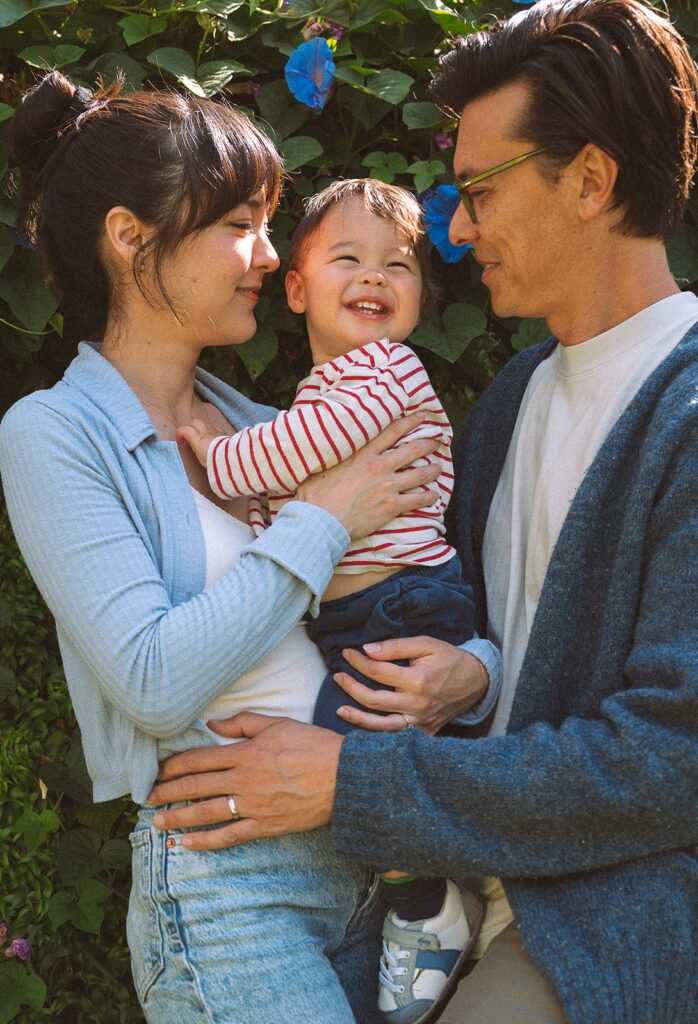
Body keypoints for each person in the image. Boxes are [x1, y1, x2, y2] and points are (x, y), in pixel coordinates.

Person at [143, 3, 698, 1023]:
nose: (459, 226)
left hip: (590, 924)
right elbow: (455, 630)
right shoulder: (506, 402)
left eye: (478, 189)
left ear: (588, 179)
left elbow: (670, 761)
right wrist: (468, 673)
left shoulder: (685, 415)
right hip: (411, 898)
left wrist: (354, 780)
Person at [0, 72, 497, 1024]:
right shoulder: (54, 433)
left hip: (376, 865)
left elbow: (408, 574)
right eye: (239, 224)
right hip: (236, 896)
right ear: (129, 236)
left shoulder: (269, 426)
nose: (270, 257)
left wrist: (470, 670)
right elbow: (150, 679)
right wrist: (324, 519)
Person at [178, 177, 497, 1023]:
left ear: (421, 300)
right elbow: (295, 497)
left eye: (399, 264)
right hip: (372, 612)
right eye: (347, 258)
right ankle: (419, 891)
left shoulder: (381, 372)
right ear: (296, 286)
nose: (375, 276)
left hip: (403, 608)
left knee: (357, 766)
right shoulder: (335, 389)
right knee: (359, 757)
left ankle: (428, 907)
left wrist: (220, 459)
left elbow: (288, 457)